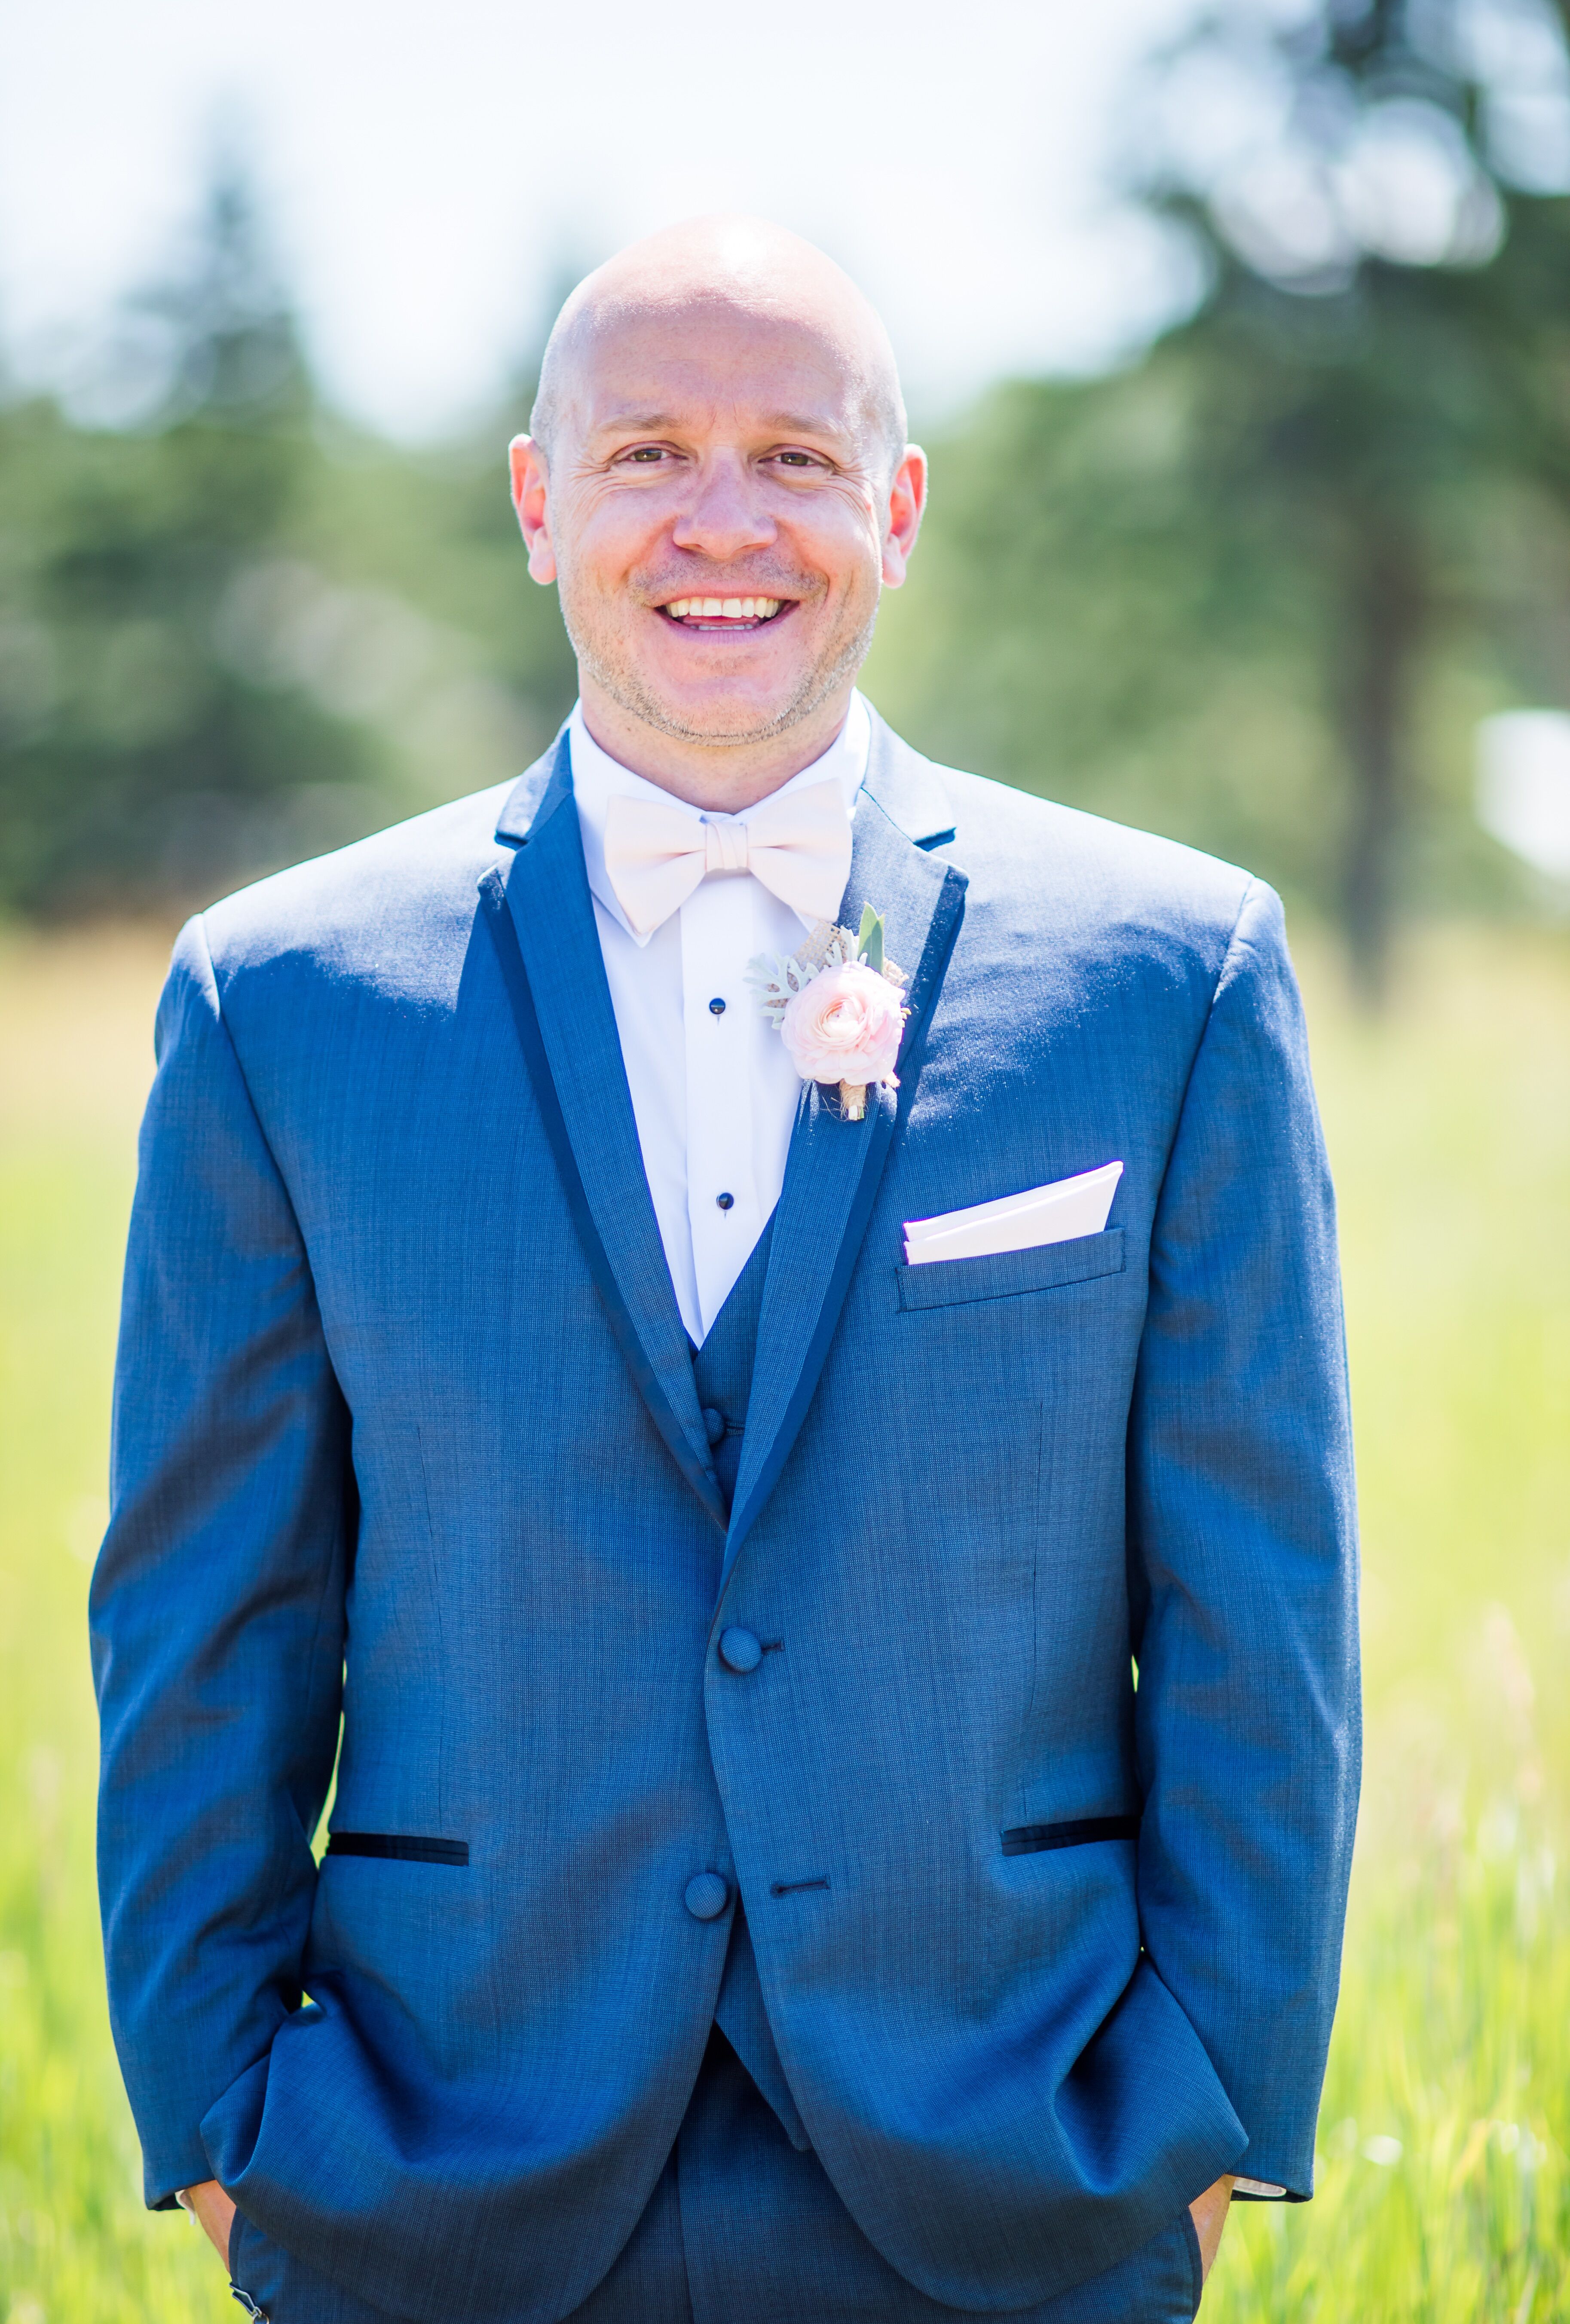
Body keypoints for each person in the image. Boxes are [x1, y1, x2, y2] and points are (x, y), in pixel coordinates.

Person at [92, 216, 1360, 2324]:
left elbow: (1256, 1602)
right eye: (645, 451)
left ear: (898, 506)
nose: (719, 518)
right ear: (533, 503)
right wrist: (227, 2130)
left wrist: (1208, 2108)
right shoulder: (277, 1001)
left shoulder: (1171, 973)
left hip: (1016, 2164)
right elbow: (203, 1620)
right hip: (431, 2173)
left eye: (791, 453)